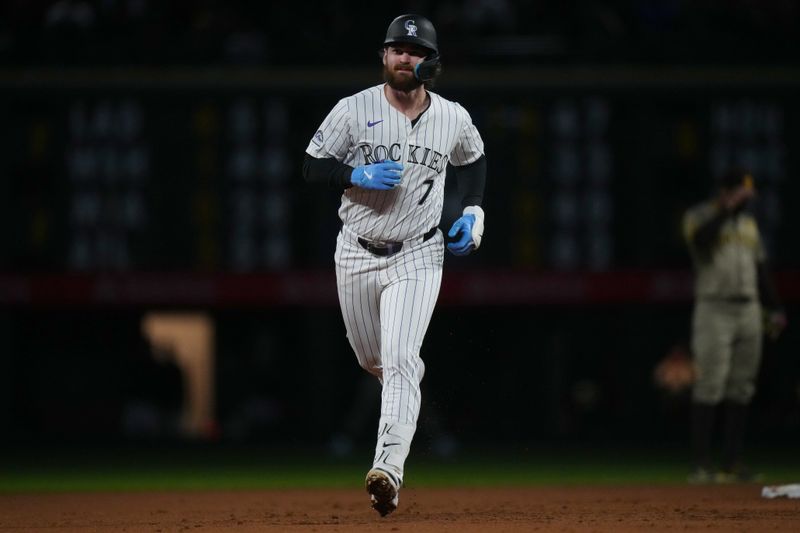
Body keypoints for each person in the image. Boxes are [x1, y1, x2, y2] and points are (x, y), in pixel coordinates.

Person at [302, 14, 486, 516]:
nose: (405, 58)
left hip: (420, 251)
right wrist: (351, 171)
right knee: (374, 362)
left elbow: (473, 160)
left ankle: (388, 468)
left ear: (432, 63)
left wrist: (473, 212)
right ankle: (401, 401)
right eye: (396, 49)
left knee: (402, 359)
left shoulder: (452, 117)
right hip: (357, 251)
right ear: (383, 57)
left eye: (415, 50)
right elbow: (311, 166)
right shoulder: (353, 109)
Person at [682, 166, 787, 483]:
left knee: (742, 387)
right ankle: (701, 465)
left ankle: (732, 462)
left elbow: (761, 269)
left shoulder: (749, 225)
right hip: (714, 307)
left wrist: (776, 308)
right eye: (743, 192)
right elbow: (700, 242)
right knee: (710, 383)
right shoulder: (700, 215)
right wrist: (725, 210)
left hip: (749, 309)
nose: (748, 198)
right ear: (726, 191)